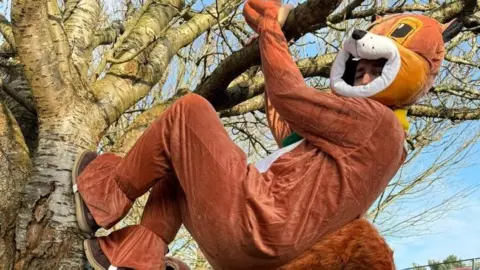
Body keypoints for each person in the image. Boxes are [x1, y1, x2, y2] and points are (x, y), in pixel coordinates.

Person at [72, 0, 451, 268]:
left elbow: (292, 98)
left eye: (376, 68)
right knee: (180, 161)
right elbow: (287, 124)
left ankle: (102, 197)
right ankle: (138, 257)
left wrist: (271, 26)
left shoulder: (380, 124)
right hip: (254, 250)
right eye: (359, 68)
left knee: (189, 112)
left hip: (260, 224)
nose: (363, 76)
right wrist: (265, 54)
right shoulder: (364, 139)